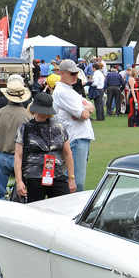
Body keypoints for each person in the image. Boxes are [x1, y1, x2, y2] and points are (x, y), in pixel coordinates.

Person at [14, 91, 76, 202]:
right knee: (36, 211)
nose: (42, 114)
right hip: (33, 176)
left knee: (66, 205)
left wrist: (71, 178)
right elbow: (18, 156)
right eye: (39, 111)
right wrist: (19, 181)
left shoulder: (59, 127)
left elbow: (68, 153)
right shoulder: (24, 128)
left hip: (57, 174)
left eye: (45, 111)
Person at [0, 75, 32, 198]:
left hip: (2, 156)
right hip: (22, 157)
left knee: (3, 193)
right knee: (23, 193)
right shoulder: (28, 116)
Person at [51, 60, 95, 192]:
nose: (76, 76)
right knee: (76, 182)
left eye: (76, 73)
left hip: (79, 137)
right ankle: (72, 209)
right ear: (62, 73)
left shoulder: (70, 90)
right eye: (72, 73)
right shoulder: (62, 92)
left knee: (74, 180)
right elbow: (84, 115)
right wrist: (84, 110)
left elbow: (90, 108)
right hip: (75, 137)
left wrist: (83, 109)